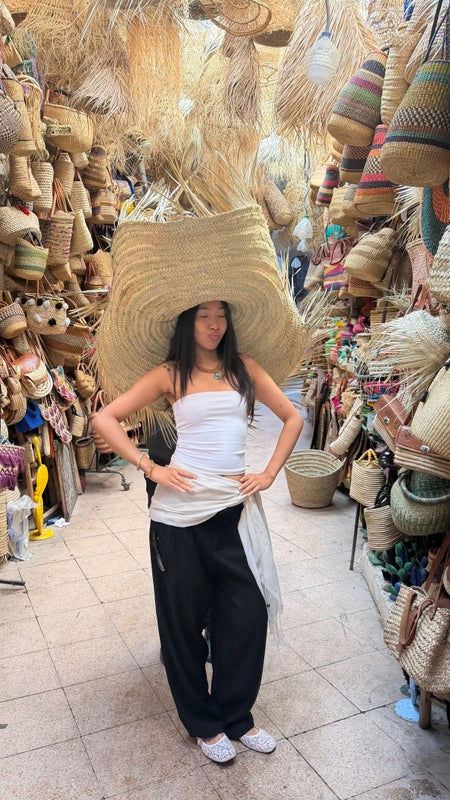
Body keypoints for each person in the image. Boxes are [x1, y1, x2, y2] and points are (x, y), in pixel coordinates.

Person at [91, 195, 308, 764]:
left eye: (222, 315)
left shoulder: (245, 369)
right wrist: (151, 467)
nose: (214, 324)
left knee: (247, 613)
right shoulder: (170, 373)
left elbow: (292, 418)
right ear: (187, 320)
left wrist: (268, 473)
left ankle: (237, 715)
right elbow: (104, 419)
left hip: (234, 508)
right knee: (183, 625)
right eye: (204, 315)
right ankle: (205, 724)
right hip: (179, 514)